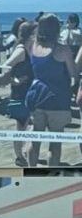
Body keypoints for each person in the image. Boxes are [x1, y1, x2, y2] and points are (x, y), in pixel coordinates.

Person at [19, 13, 74, 168]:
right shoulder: (62, 50)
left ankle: (31, 169)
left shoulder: (32, 45)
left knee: (35, 138)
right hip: (57, 98)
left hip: (36, 95)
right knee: (55, 143)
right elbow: (73, 74)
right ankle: (51, 173)